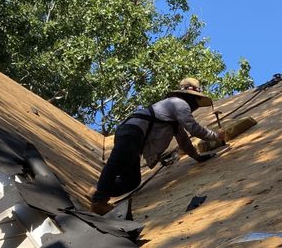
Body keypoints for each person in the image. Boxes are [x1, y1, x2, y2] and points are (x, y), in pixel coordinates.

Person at [89, 78, 226, 214]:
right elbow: (193, 128)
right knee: (117, 162)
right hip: (133, 132)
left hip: (133, 135)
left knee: (132, 180)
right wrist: (216, 136)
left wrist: (197, 157)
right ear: (190, 97)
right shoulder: (179, 103)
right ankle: (99, 201)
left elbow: (183, 140)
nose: (195, 106)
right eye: (196, 101)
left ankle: (97, 189)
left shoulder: (173, 117)